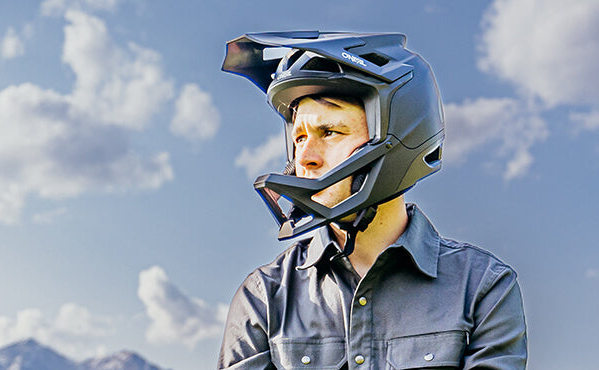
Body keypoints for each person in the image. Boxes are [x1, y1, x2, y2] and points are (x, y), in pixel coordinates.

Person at [217, 31, 528, 369]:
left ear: (401, 133)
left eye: (329, 132)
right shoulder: (263, 297)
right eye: (299, 138)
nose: (303, 157)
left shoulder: (482, 286)